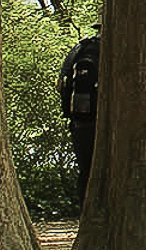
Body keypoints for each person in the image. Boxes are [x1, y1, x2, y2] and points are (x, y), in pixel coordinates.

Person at [58, 24, 102, 203]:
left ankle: (85, 212)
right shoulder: (119, 48)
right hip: (105, 123)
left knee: (86, 169)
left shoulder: (79, 48)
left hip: (79, 121)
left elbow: (61, 84)